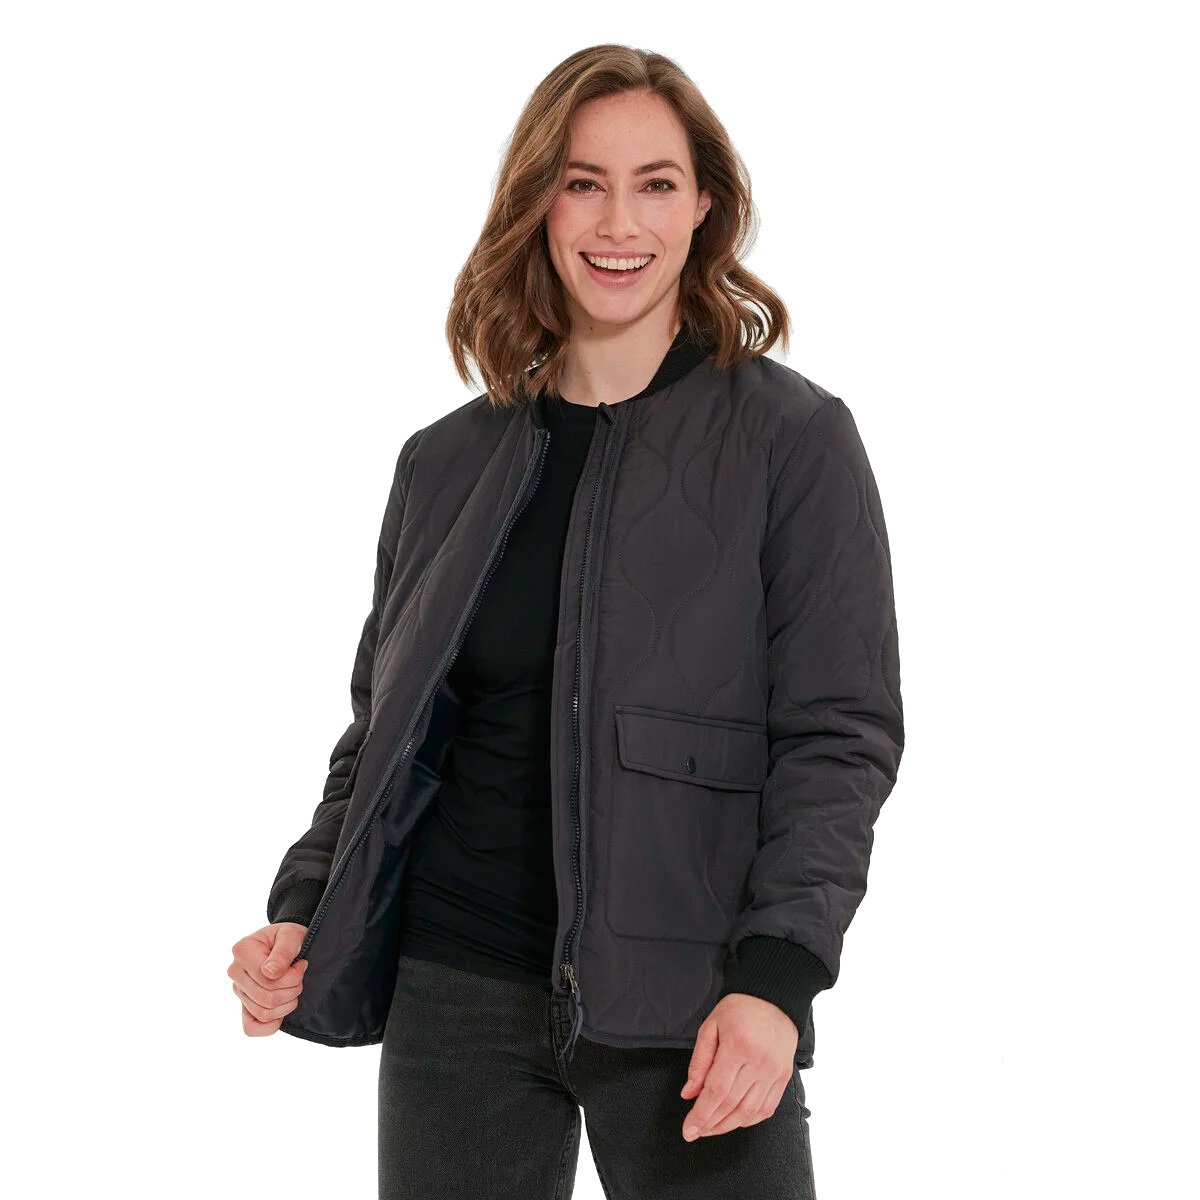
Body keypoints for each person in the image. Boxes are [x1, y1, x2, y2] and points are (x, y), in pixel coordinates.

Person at [227, 43, 904, 1199]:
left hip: (692, 993)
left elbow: (840, 738)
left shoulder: (791, 442)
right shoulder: (445, 462)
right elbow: (381, 735)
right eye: (583, 182)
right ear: (539, 201)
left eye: (655, 183)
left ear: (704, 206)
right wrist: (303, 910)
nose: (618, 222)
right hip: (454, 990)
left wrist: (777, 979)